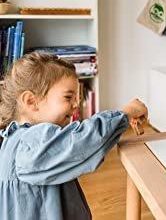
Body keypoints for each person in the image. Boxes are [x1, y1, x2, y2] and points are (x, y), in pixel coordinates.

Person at [0, 52, 148, 220]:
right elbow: (82, 142)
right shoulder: (29, 143)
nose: (77, 104)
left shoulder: (15, 140)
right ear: (31, 101)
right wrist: (126, 113)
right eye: (68, 97)